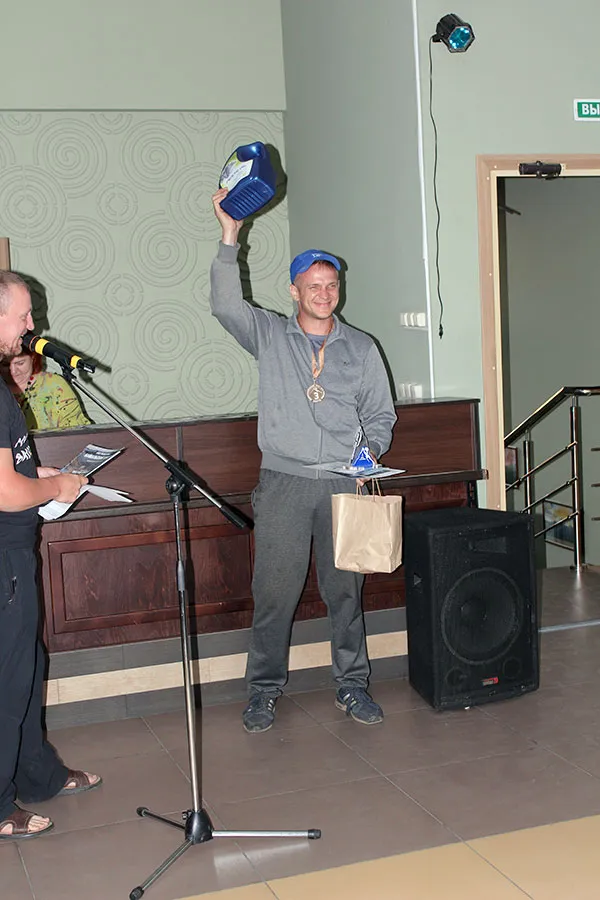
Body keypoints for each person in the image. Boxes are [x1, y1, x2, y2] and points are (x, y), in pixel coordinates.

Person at [210, 188, 397, 734]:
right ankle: (263, 690)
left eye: (331, 285)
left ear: (339, 289)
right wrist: (229, 234)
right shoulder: (270, 334)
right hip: (284, 484)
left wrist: (368, 453)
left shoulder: (361, 347)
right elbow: (225, 305)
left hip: (344, 486)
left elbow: (381, 415)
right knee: (275, 594)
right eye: (313, 285)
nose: (323, 293)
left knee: (346, 594)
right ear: (294, 290)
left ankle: (352, 684)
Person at [0, 271, 101, 841]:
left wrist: (35, 471)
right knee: (8, 682)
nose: (31, 325)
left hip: (13, 555)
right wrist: (55, 487)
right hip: (3, 559)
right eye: (23, 315)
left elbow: (9, 472)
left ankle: (38, 775)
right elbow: (6, 494)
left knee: (27, 668)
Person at [0, 347, 91, 431]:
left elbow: (76, 431)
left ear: (33, 358)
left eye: (20, 363)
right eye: (5, 365)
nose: (13, 371)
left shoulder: (54, 384)